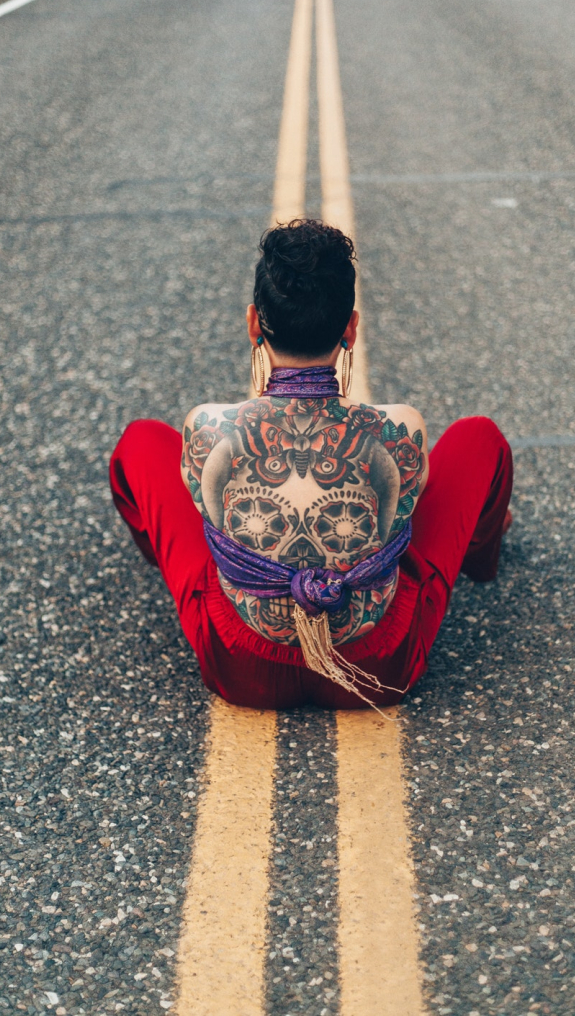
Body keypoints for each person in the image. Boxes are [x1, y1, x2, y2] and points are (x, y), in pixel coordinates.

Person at [109, 219, 512, 710]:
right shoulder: (401, 427)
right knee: (478, 437)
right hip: (376, 668)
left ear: (254, 322)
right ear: (351, 329)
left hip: (243, 668)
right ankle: (480, 558)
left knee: (141, 439)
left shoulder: (208, 427)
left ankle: (163, 557)